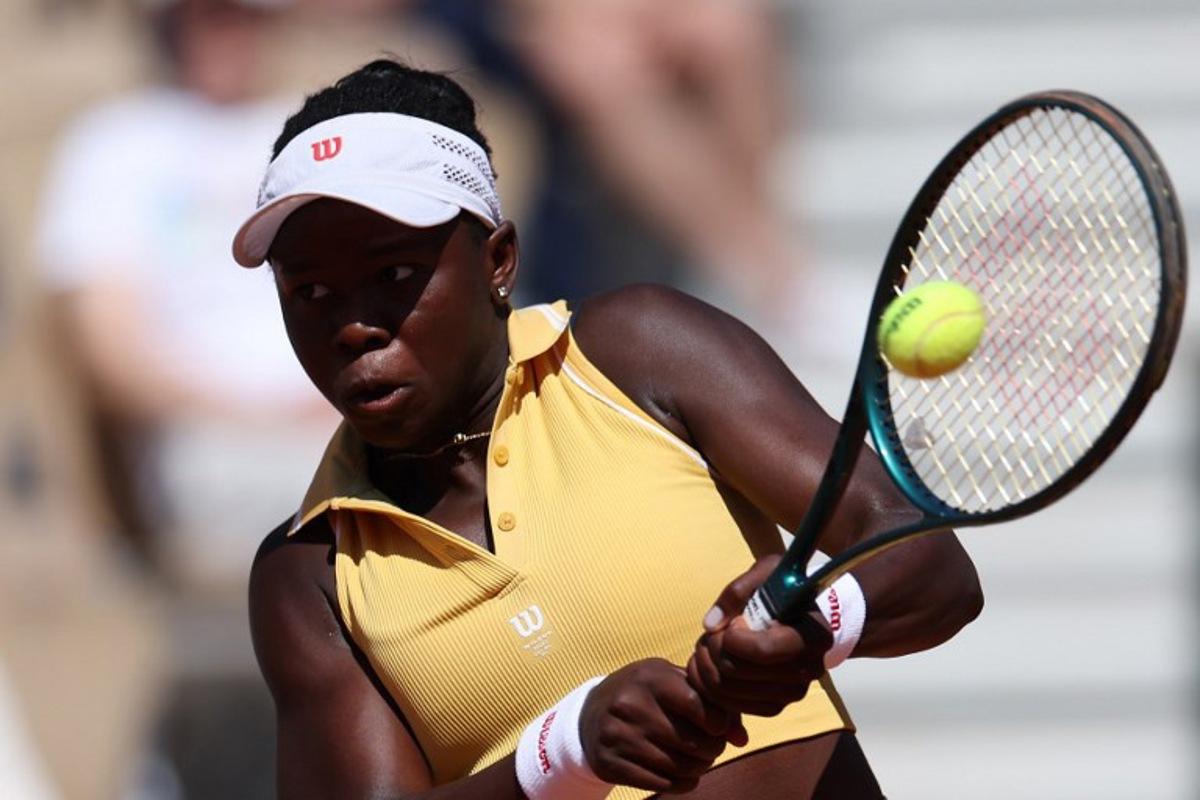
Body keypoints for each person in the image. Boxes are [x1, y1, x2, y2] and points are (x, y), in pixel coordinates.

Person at [244, 59, 983, 799]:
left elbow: (928, 564)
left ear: (499, 261)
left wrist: (821, 617)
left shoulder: (639, 349)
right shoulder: (308, 571)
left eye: (396, 275)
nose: (353, 326)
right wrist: (560, 753)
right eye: (308, 291)